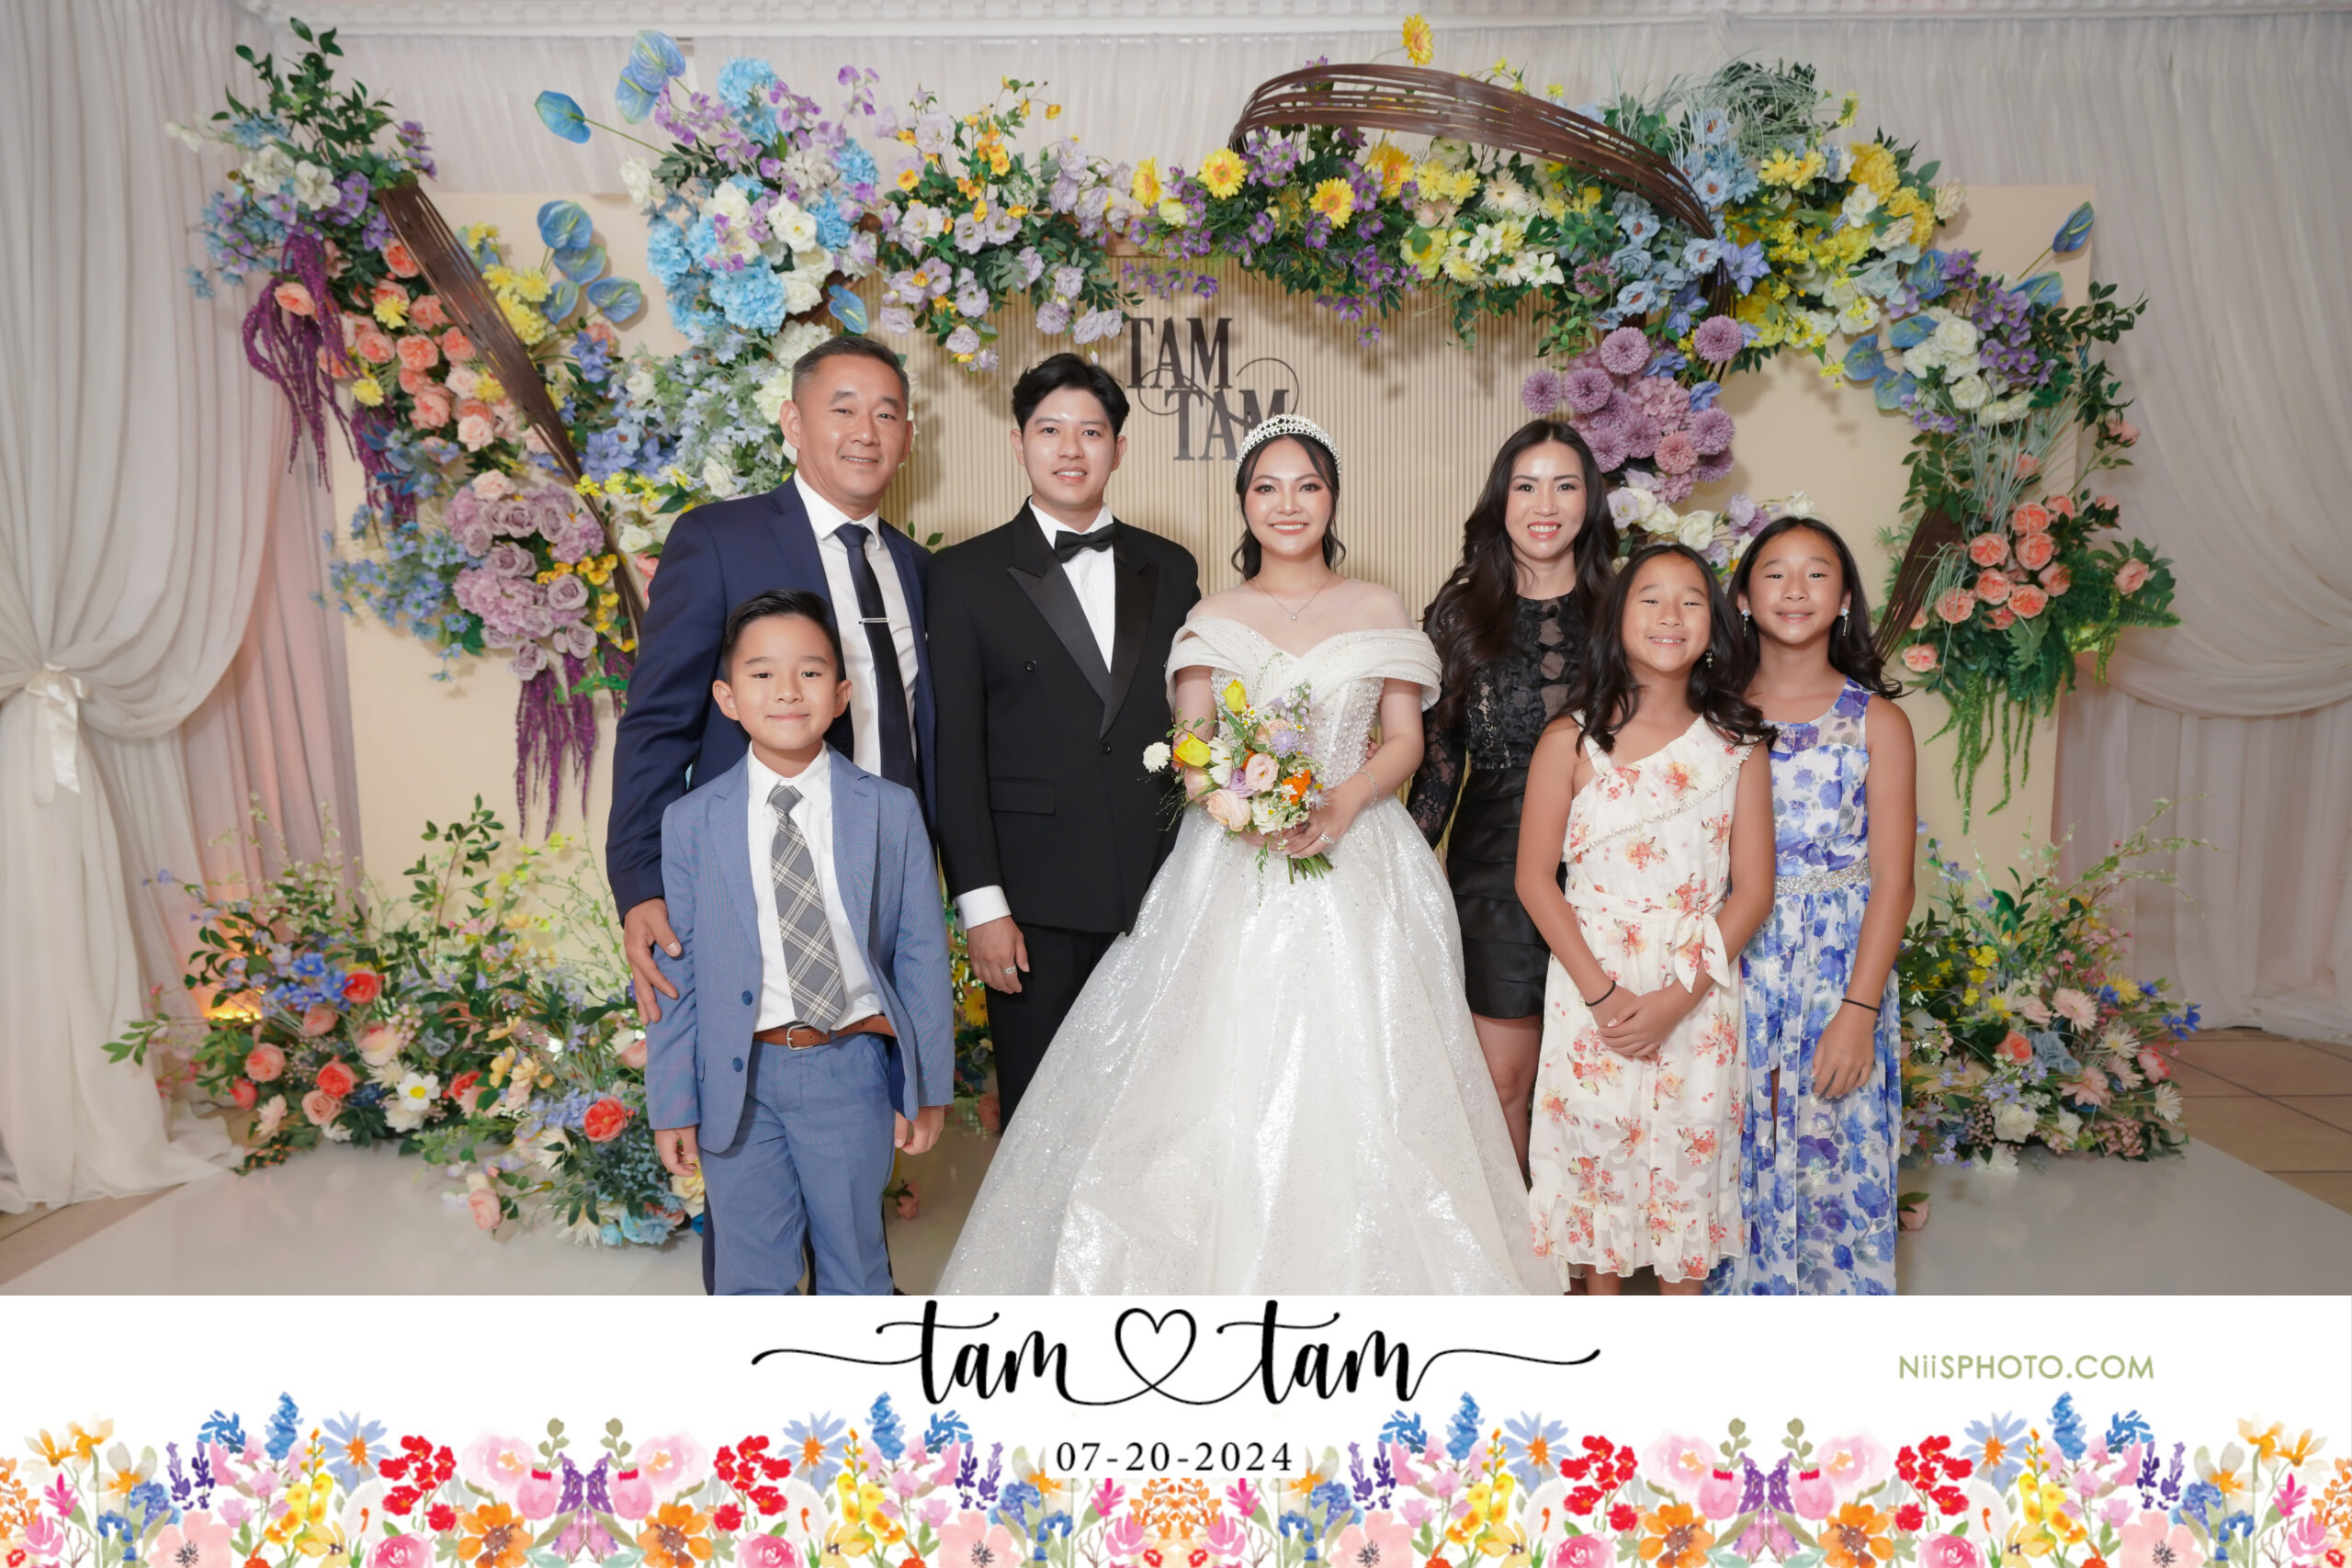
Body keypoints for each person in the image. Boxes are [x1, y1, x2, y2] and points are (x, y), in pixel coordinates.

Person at [936, 415, 1549, 1293]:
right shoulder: (1210, 615)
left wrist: (1342, 800)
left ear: (1332, 499)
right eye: (1267, 486)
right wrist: (1242, 808)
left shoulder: (1378, 606)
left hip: (1362, 857)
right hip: (1233, 865)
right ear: (1244, 503)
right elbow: (1192, 750)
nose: (1287, 504)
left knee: (1373, 1083)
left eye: (1307, 485)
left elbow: (1406, 741)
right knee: (1214, 1086)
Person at [608, 336, 935, 1033]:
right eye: (842, 409)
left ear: (907, 438)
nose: (865, 432)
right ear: (792, 421)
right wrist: (641, 884)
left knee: (888, 1080)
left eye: (885, 414)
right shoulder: (719, 540)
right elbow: (657, 723)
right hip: (757, 878)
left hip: (890, 881)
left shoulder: (921, 569)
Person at [645, 590, 954, 1295]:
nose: (787, 690)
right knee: (750, 1275)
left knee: (855, 1264)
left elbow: (921, 954)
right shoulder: (691, 821)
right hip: (738, 1078)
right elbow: (677, 975)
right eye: (762, 673)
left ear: (841, 694)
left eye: (810, 672)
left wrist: (927, 1084)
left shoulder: (888, 809)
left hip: (846, 1069)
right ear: (727, 697)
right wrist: (672, 1101)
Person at [927, 354, 1201, 1122]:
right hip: (1031, 903)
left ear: (1119, 447)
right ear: (1019, 443)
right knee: (1038, 1125)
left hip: (1155, 889)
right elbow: (956, 755)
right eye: (1050, 430)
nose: (1071, 449)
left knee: (1150, 1122)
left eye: (1091, 431)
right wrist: (983, 908)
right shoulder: (963, 574)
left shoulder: (1172, 567)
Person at [1518, 544, 1775, 1295]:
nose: (1671, 615)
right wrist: (1602, 995)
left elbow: (1753, 891)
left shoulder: (1738, 745)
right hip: (1592, 985)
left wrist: (1677, 998)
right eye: (1651, 598)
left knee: (1687, 1165)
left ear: (1715, 623)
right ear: (1617, 618)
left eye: (1691, 600)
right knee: (1597, 1155)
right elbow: (1534, 879)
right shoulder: (1570, 739)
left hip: (1695, 992)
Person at [1708, 516, 1915, 1295]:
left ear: (1845, 597)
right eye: (1774, 572)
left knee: (1835, 1143)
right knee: (1733, 1144)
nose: (1795, 590)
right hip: (1736, 958)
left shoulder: (1876, 721)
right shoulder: (1711, 713)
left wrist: (1859, 1009)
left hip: (1837, 966)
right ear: (1741, 596)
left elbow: (1894, 878)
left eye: (1817, 572)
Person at [1412, 420, 1617, 1179]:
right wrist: (1394, 870)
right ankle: (1515, 1248)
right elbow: (1437, 771)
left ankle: (1584, 1238)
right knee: (1503, 1083)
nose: (1545, 504)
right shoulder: (1460, 614)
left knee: (1598, 1080)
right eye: (1526, 485)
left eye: (1565, 485)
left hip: (1611, 868)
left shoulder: (1626, 611)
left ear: (1590, 501)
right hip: (1493, 876)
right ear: (1501, 499)